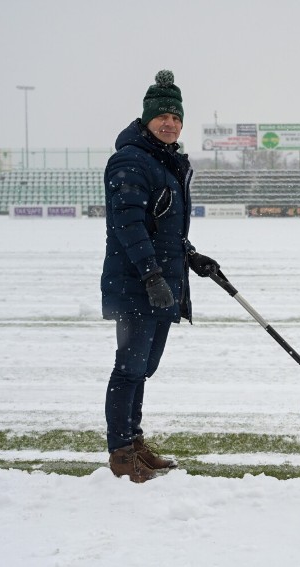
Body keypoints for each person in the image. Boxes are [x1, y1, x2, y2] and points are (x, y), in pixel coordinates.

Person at [101, 70, 220, 483]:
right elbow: (129, 226)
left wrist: (192, 256)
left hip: (161, 282)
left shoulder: (164, 162)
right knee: (129, 367)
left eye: (176, 116)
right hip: (137, 283)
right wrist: (152, 275)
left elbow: (162, 226)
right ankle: (120, 453)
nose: (169, 122)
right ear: (147, 118)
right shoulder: (131, 160)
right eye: (161, 116)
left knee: (144, 367)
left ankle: (133, 441)